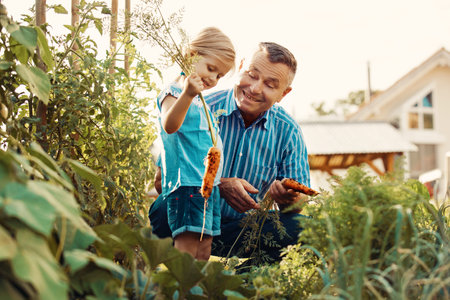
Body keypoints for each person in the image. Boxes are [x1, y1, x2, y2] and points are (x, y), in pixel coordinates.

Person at [150, 41, 310, 263]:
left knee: (303, 227)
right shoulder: (197, 107)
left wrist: (290, 197)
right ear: (241, 66)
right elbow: (160, 182)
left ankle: (242, 286)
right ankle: (183, 275)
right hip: (192, 219)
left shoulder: (288, 130)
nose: (255, 88)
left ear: (283, 94)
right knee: (162, 207)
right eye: (252, 75)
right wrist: (218, 184)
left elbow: (299, 202)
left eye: (270, 84)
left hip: (243, 232)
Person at [155, 27, 235, 261]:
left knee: (203, 248)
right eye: (211, 68)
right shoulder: (175, 92)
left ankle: (195, 293)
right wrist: (188, 94)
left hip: (208, 186)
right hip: (188, 183)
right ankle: (180, 292)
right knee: (188, 246)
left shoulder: (202, 101)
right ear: (191, 55)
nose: (213, 78)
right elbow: (170, 125)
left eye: (219, 75)